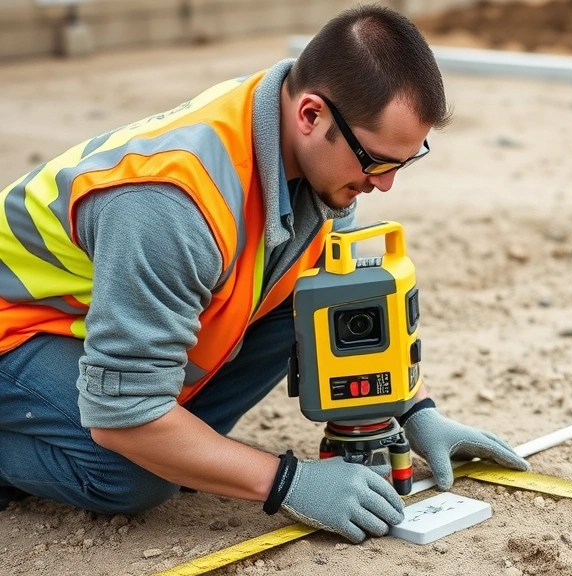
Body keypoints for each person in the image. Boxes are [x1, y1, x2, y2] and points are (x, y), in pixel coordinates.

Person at [0, 5, 528, 543]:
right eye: (375, 161)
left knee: (315, 300)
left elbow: (348, 305)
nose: (385, 185)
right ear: (310, 115)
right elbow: (124, 414)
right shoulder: (171, 206)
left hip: (88, 323)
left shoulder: (311, 149)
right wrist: (287, 482)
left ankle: (166, 439)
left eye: (401, 163)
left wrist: (415, 409)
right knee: (132, 472)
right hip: (16, 333)